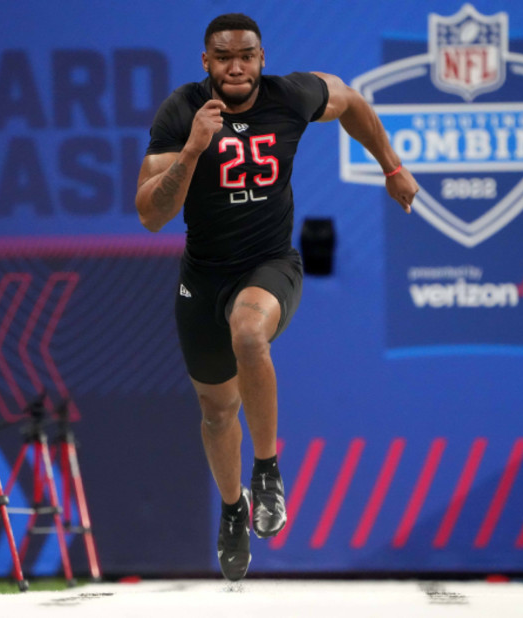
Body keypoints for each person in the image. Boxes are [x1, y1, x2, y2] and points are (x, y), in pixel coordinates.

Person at [135, 13, 418, 581]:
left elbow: (352, 101)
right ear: (206, 63)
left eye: (246, 55)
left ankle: (266, 472)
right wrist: (192, 151)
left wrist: (391, 165)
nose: (235, 67)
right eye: (223, 57)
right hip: (203, 275)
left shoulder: (292, 95)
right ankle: (234, 509)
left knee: (248, 331)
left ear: (262, 59)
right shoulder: (181, 110)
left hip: (270, 264)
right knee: (217, 413)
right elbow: (150, 216)